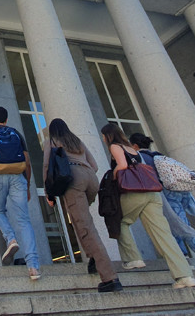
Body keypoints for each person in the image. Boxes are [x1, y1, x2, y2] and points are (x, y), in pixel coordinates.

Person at [128, 132, 195, 287]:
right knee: (176, 229)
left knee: (184, 231)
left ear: (135, 146)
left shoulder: (143, 159)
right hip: (178, 196)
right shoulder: (161, 157)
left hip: (163, 196)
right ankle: (185, 262)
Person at [100, 123, 195, 288]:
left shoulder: (115, 147)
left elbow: (123, 166)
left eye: (103, 136)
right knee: (163, 235)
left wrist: (113, 174)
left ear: (108, 136)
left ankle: (133, 259)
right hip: (152, 194)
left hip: (135, 192)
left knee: (119, 220)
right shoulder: (131, 148)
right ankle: (185, 275)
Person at [43, 118, 122, 293]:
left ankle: (110, 278)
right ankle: (93, 256)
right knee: (80, 221)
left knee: (86, 227)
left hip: (73, 179)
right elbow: (94, 165)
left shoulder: (52, 141)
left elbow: (47, 166)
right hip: (91, 179)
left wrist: (49, 192)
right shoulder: (76, 140)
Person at [0, 106, 41, 280]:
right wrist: (27, 185)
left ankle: (11, 239)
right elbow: (27, 162)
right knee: (23, 220)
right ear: (6, 119)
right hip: (17, 176)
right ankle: (33, 266)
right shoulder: (16, 134)